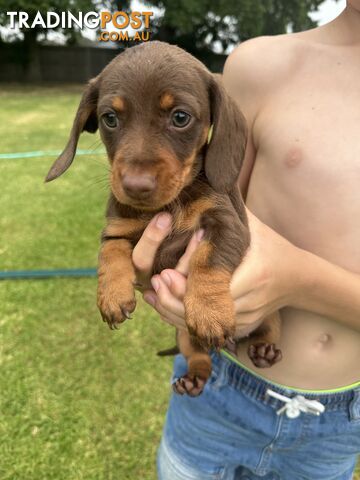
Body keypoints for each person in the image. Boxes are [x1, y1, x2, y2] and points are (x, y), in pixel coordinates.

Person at [132, 2, 360, 478]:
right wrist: (171, 279)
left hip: (339, 425)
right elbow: (211, 214)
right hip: (220, 387)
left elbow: (289, 275)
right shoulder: (260, 66)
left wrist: (298, 280)